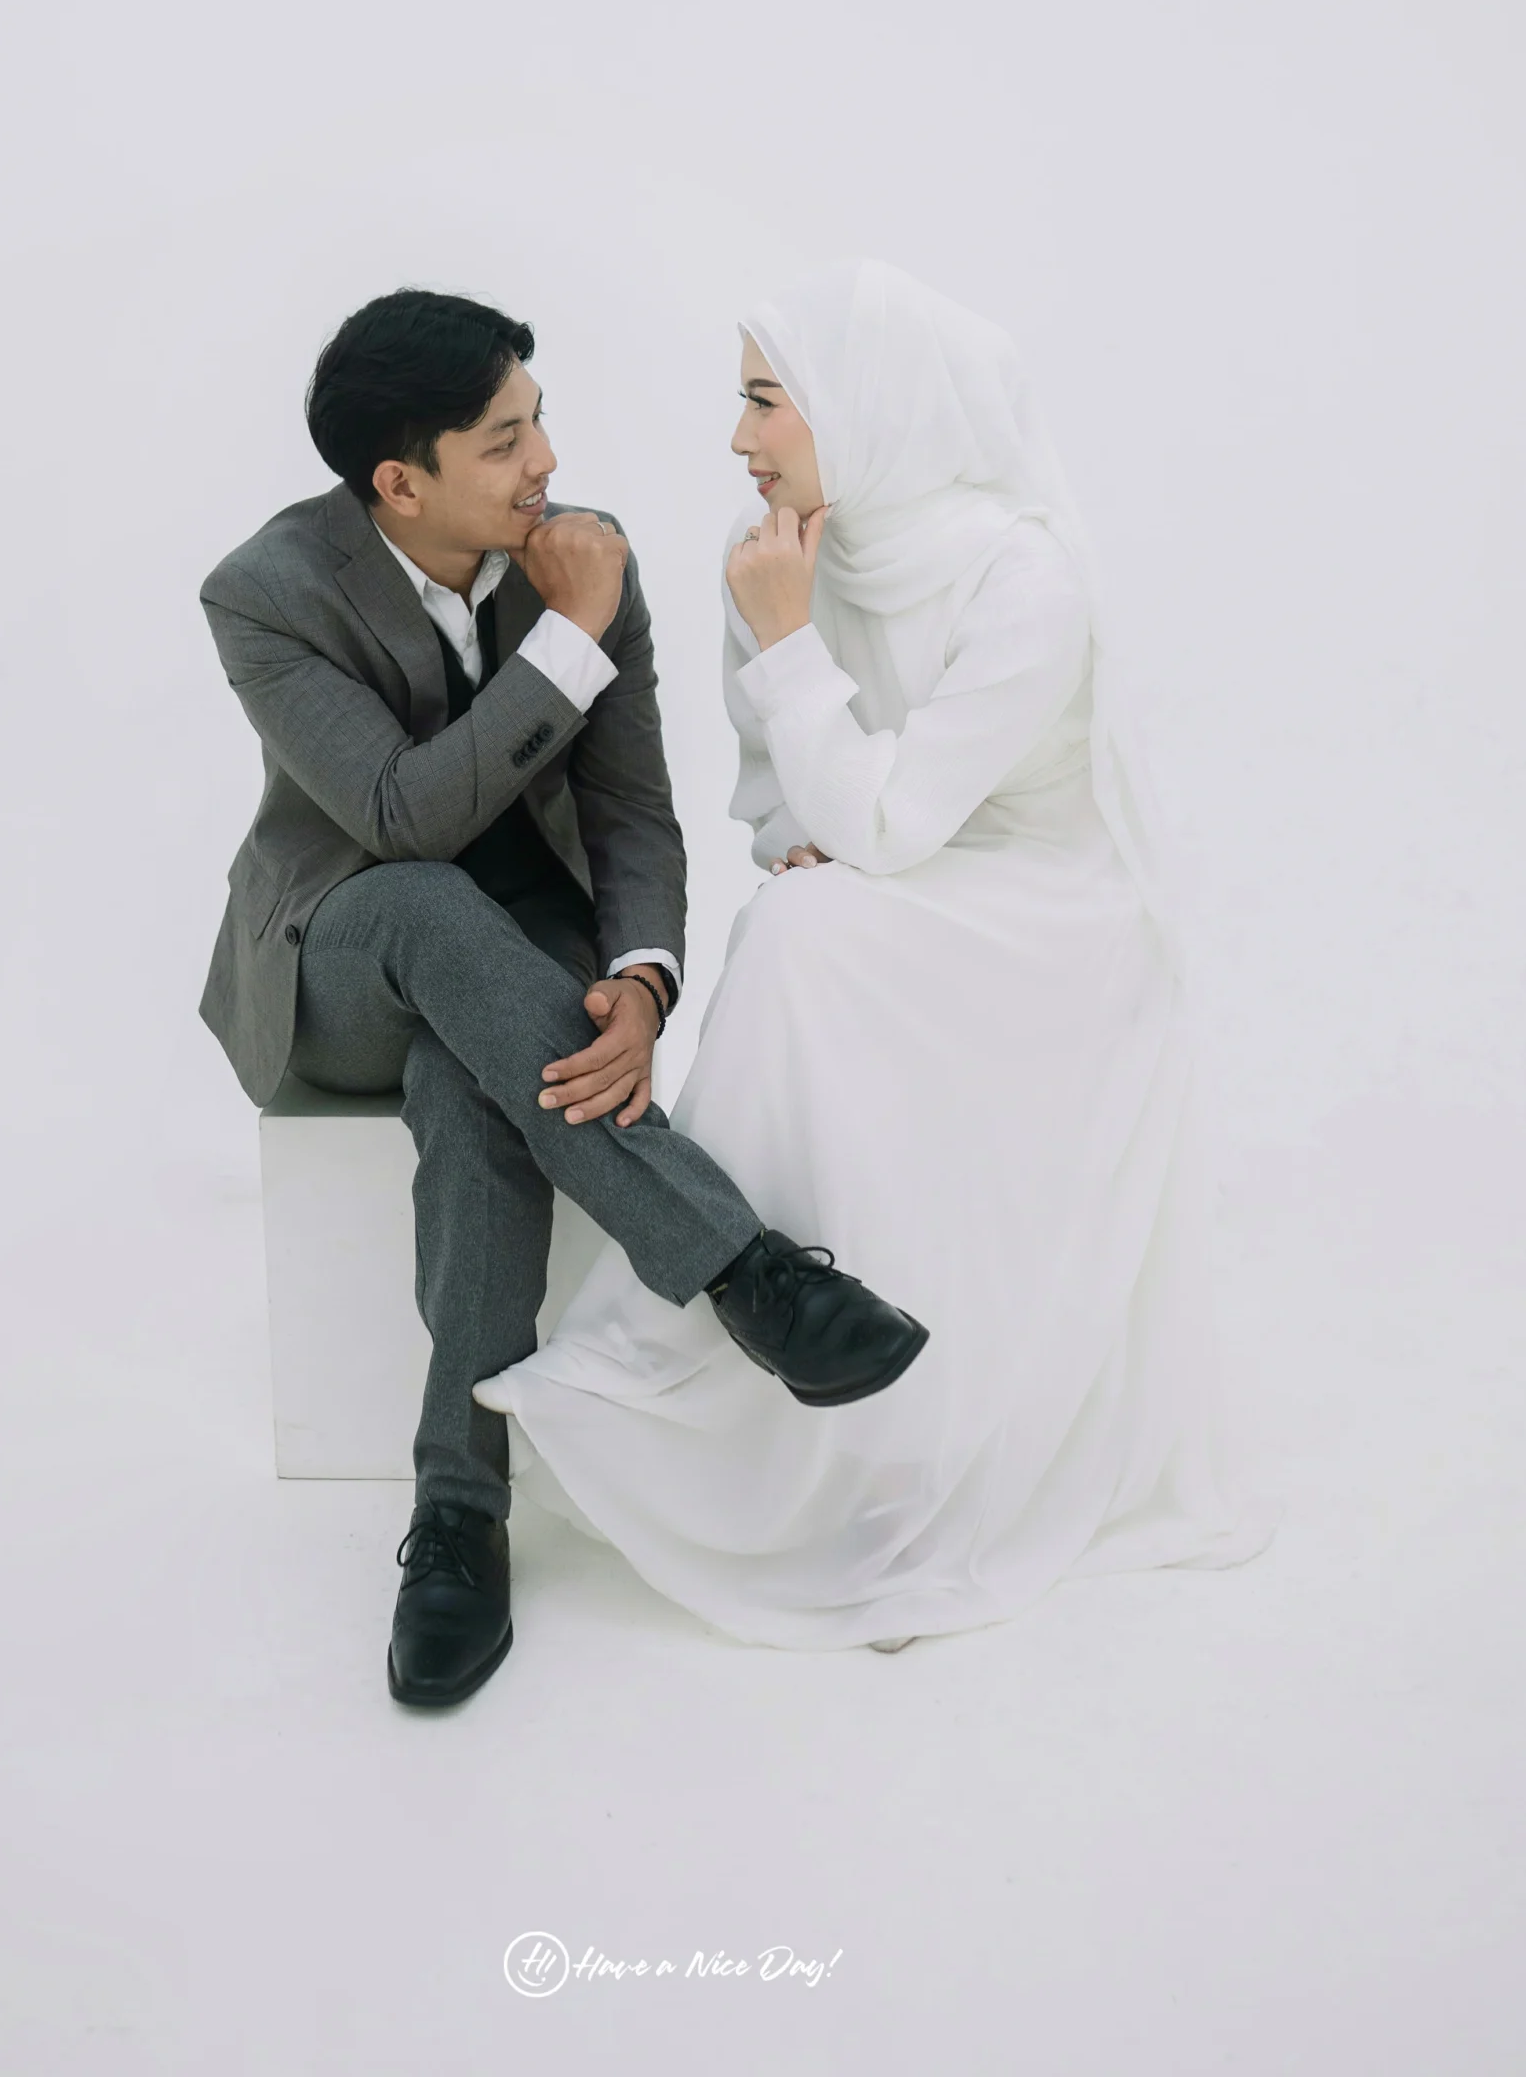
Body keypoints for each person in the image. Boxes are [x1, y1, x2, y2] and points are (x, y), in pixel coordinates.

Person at [476, 259, 1275, 1649]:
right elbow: (778, 805)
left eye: (764, 400)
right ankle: (785, 1337)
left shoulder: (1022, 576)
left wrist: (794, 651)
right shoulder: (773, 553)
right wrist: (815, 819)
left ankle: (694, 1321)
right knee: (798, 923)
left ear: (868, 405)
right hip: (891, 880)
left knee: (806, 932)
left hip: (1048, 912)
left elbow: (893, 823)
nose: (739, 437)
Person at [197, 287, 930, 1708]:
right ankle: (748, 1272)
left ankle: (459, 1516)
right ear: (398, 482)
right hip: (339, 953)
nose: (546, 464)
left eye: (540, 423)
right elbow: (400, 818)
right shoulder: (267, 593)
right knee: (428, 905)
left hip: (515, 968)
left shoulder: (584, 553)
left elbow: (634, 816)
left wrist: (641, 982)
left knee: (478, 1077)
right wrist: (569, 639)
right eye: (504, 442)